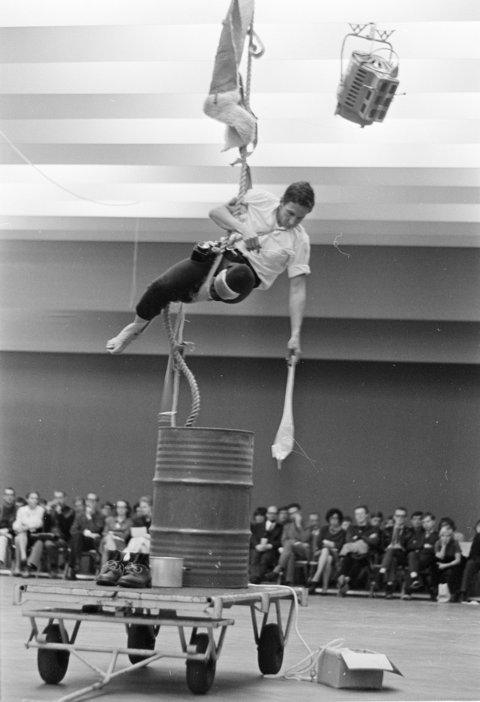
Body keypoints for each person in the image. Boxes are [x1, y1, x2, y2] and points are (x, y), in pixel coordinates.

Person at [106, 182, 315, 358]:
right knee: (162, 286)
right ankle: (134, 328)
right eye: (290, 214)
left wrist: (295, 334)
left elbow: (298, 289)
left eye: (300, 218)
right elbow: (216, 213)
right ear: (281, 202)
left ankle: (202, 292)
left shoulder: (299, 240)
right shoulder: (259, 198)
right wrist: (243, 228)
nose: (292, 222)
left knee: (240, 274)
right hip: (221, 255)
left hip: (244, 278)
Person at [337, 505, 380, 596]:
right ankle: (346, 580)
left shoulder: (374, 528)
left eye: (361, 514)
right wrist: (366, 539)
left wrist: (359, 537)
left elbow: (374, 542)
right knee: (350, 558)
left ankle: (343, 579)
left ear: (367, 515)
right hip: (352, 556)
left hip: (367, 557)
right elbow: (349, 541)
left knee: (358, 557)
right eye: (357, 514)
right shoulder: (351, 528)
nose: (359, 516)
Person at [66, 492, 105, 580]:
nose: (90, 502)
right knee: (77, 536)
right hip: (80, 541)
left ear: (96, 502)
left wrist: (90, 517)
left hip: (93, 542)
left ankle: (73, 568)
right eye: (89, 500)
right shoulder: (80, 514)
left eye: (93, 500)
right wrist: (84, 532)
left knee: (75, 542)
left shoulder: (100, 516)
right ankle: (76, 563)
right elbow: (72, 530)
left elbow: (96, 530)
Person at [308, 508, 346, 594]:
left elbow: (340, 545)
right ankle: (324, 587)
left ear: (339, 520)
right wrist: (331, 544)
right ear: (328, 519)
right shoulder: (324, 529)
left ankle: (315, 579)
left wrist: (328, 543)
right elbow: (319, 543)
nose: (334, 520)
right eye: (332, 518)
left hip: (335, 556)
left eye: (336, 518)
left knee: (328, 556)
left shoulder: (342, 532)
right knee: (326, 555)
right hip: (321, 554)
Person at [375, 507, 411, 598]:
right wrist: (388, 548)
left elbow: (410, 547)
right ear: (394, 517)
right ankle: (389, 587)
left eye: (402, 516)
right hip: (388, 556)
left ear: (406, 518)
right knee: (392, 559)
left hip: (402, 556)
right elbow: (380, 546)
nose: (400, 518)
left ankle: (381, 573)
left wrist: (401, 547)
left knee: (393, 551)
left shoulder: (410, 531)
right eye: (398, 516)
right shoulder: (386, 530)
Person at [404, 511, 438, 600]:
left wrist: (424, 548)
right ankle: (414, 579)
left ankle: (409, 589)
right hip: (418, 558)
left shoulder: (437, 535)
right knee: (412, 557)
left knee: (412, 565)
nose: (425, 524)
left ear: (433, 522)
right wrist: (423, 546)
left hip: (431, 558)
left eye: (428, 521)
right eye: (424, 522)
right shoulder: (419, 534)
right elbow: (410, 545)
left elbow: (436, 548)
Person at [12, 491, 45, 576]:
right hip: (24, 535)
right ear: (27, 499)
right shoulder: (22, 510)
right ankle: (23, 558)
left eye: (36, 498)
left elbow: (38, 523)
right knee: (18, 537)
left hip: (35, 536)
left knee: (18, 538)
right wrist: (21, 527)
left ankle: (19, 566)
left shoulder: (40, 510)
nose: (34, 500)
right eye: (32, 498)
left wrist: (25, 526)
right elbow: (16, 523)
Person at [249, 505, 283, 583]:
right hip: (258, 547)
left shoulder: (281, 527)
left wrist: (270, 546)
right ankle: (254, 576)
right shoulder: (258, 526)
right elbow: (253, 537)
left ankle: (258, 576)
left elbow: (280, 541)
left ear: (277, 515)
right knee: (254, 555)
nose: (272, 515)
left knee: (265, 557)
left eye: (274, 513)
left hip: (272, 550)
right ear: (267, 514)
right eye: (270, 513)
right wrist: (257, 545)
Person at [434, 522, 463, 602]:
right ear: (440, 536)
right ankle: (437, 593)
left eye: (448, 536)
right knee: (435, 569)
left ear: (451, 536)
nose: (445, 538)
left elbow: (458, 560)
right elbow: (440, 556)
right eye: (443, 535)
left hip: (452, 562)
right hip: (442, 561)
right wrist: (443, 546)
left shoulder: (455, 543)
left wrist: (446, 565)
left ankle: (452, 594)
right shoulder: (437, 543)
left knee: (452, 572)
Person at [100, 499, 133, 564]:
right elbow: (105, 533)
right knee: (108, 538)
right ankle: (113, 561)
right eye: (118, 507)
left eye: (123, 507)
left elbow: (125, 536)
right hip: (106, 540)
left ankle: (104, 571)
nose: (120, 509)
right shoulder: (109, 519)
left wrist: (113, 533)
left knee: (107, 548)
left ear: (127, 509)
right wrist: (117, 534)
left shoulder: (130, 522)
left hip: (120, 543)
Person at [458, 519, 480, 604]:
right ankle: (463, 592)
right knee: (470, 564)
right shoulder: (477, 537)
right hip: (477, 560)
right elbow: (473, 553)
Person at [0, 487, 17, 569]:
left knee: (3, 538)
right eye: (7, 494)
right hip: (1, 533)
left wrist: (8, 531)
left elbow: (18, 526)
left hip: (12, 535)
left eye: (11, 495)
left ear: (14, 497)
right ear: (3, 496)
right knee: (2, 538)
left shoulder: (18, 510)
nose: (9, 497)